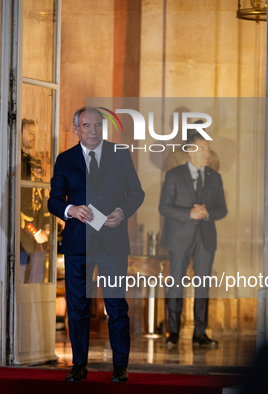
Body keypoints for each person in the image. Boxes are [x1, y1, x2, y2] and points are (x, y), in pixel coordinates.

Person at [48, 107, 144, 383]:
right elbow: (53, 200)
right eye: (87, 126)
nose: (93, 131)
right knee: (78, 306)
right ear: (76, 128)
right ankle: (79, 364)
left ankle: (120, 366)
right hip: (79, 244)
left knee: (116, 305)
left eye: (98, 126)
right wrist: (71, 209)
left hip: (113, 243)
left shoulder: (120, 154)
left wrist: (122, 211)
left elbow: (137, 192)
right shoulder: (65, 160)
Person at [159, 132, 227, 349]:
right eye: (202, 149)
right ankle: (174, 334)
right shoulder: (173, 175)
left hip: (205, 239)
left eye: (208, 150)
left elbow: (222, 209)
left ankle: (200, 334)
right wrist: (189, 213)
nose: (207, 154)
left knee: (203, 286)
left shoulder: (215, 177)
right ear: (190, 151)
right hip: (179, 238)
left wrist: (207, 213)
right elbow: (164, 207)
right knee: (176, 285)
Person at [20, 119, 49, 283]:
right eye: (29, 133)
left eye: (35, 134)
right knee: (20, 280)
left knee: (37, 281)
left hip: (39, 235)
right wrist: (34, 231)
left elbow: (43, 198)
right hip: (22, 235)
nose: (33, 137)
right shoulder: (17, 163)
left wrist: (46, 226)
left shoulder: (35, 163)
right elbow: (18, 204)